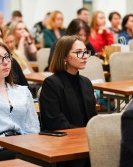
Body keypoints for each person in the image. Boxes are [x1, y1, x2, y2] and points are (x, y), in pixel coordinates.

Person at [39, 36, 96, 167]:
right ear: (64, 57)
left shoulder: (86, 82)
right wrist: (87, 134)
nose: (85, 56)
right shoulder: (51, 84)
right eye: (78, 52)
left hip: (87, 141)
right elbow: (55, 123)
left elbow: (93, 118)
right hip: (64, 144)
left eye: (86, 51)